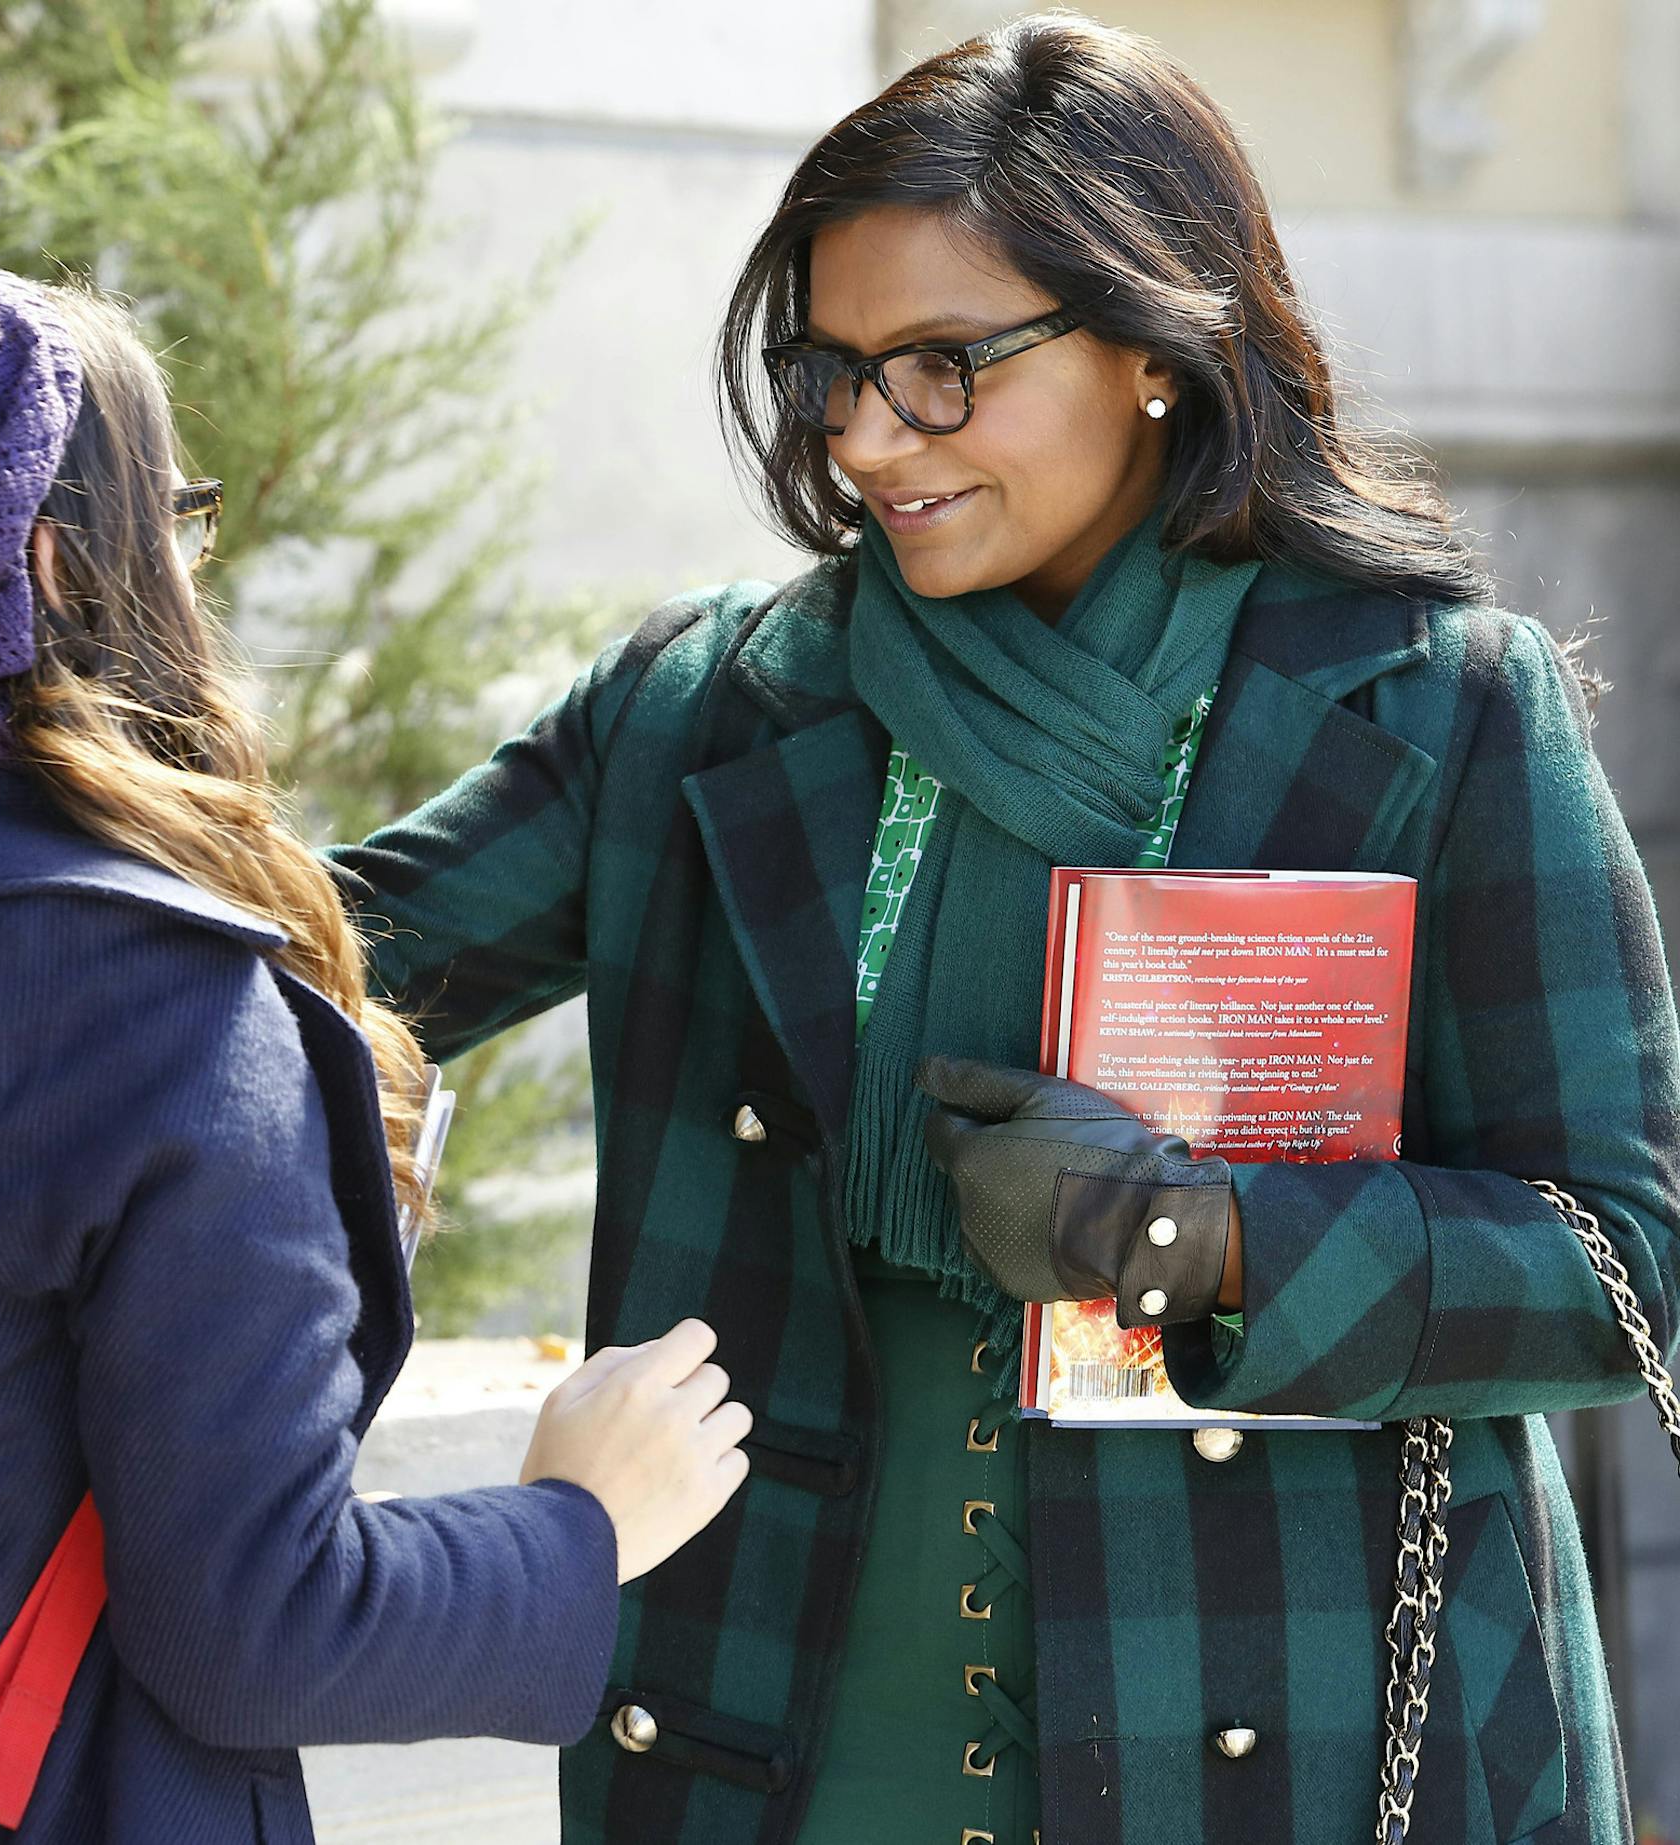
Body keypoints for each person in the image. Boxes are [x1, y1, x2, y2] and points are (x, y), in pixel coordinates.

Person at [328, 16, 1680, 1844]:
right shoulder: (704, 711)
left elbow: (1623, 1260)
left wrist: (1193, 1235)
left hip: (1297, 1729)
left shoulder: (1437, 709)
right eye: (834, 370)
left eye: (942, 368)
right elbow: (310, 958)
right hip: (772, 1737)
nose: (866, 437)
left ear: (1152, 347)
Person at [0, 260, 751, 1842]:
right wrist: (581, 1522)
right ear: (56, 562)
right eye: (174, 519)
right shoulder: (145, 1001)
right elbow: (265, 1625)